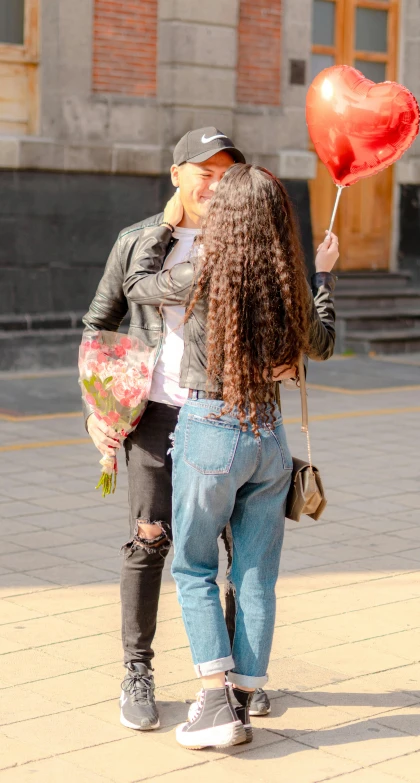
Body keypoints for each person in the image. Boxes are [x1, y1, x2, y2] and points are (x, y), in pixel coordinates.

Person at [123, 163, 338, 749]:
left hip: (211, 430)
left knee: (194, 566)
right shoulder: (288, 282)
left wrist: (166, 228)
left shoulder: (199, 274)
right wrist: (323, 276)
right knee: (255, 575)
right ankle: (241, 704)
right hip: (269, 438)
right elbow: (324, 340)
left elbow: (137, 282)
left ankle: (215, 701)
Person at [81, 127, 268, 731]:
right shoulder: (136, 241)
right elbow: (98, 321)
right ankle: (137, 668)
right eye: (203, 171)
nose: (214, 183)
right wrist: (98, 409)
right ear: (177, 174)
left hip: (226, 413)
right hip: (155, 416)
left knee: (235, 548)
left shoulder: (245, 240)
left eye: (226, 172)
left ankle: (236, 679)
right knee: (150, 540)